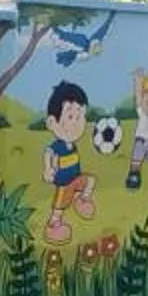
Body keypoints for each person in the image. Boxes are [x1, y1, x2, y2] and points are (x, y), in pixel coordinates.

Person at [42, 81, 99, 243]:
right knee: (59, 207)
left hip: (76, 179)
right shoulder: (58, 146)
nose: (76, 123)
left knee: (90, 181)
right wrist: (48, 169)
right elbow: (48, 153)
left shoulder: (71, 145)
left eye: (80, 117)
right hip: (64, 184)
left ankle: (81, 200)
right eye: (70, 117)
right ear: (53, 122)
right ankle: (53, 225)